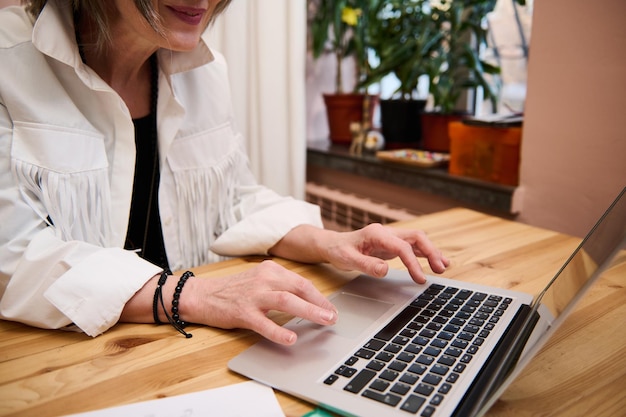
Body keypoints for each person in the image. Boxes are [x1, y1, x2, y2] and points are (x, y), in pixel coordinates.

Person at [0, 0, 449, 345]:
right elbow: (13, 258)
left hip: (182, 347)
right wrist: (196, 296)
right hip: (57, 361)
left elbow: (232, 198)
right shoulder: (8, 63)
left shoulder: (207, 71)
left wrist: (332, 242)